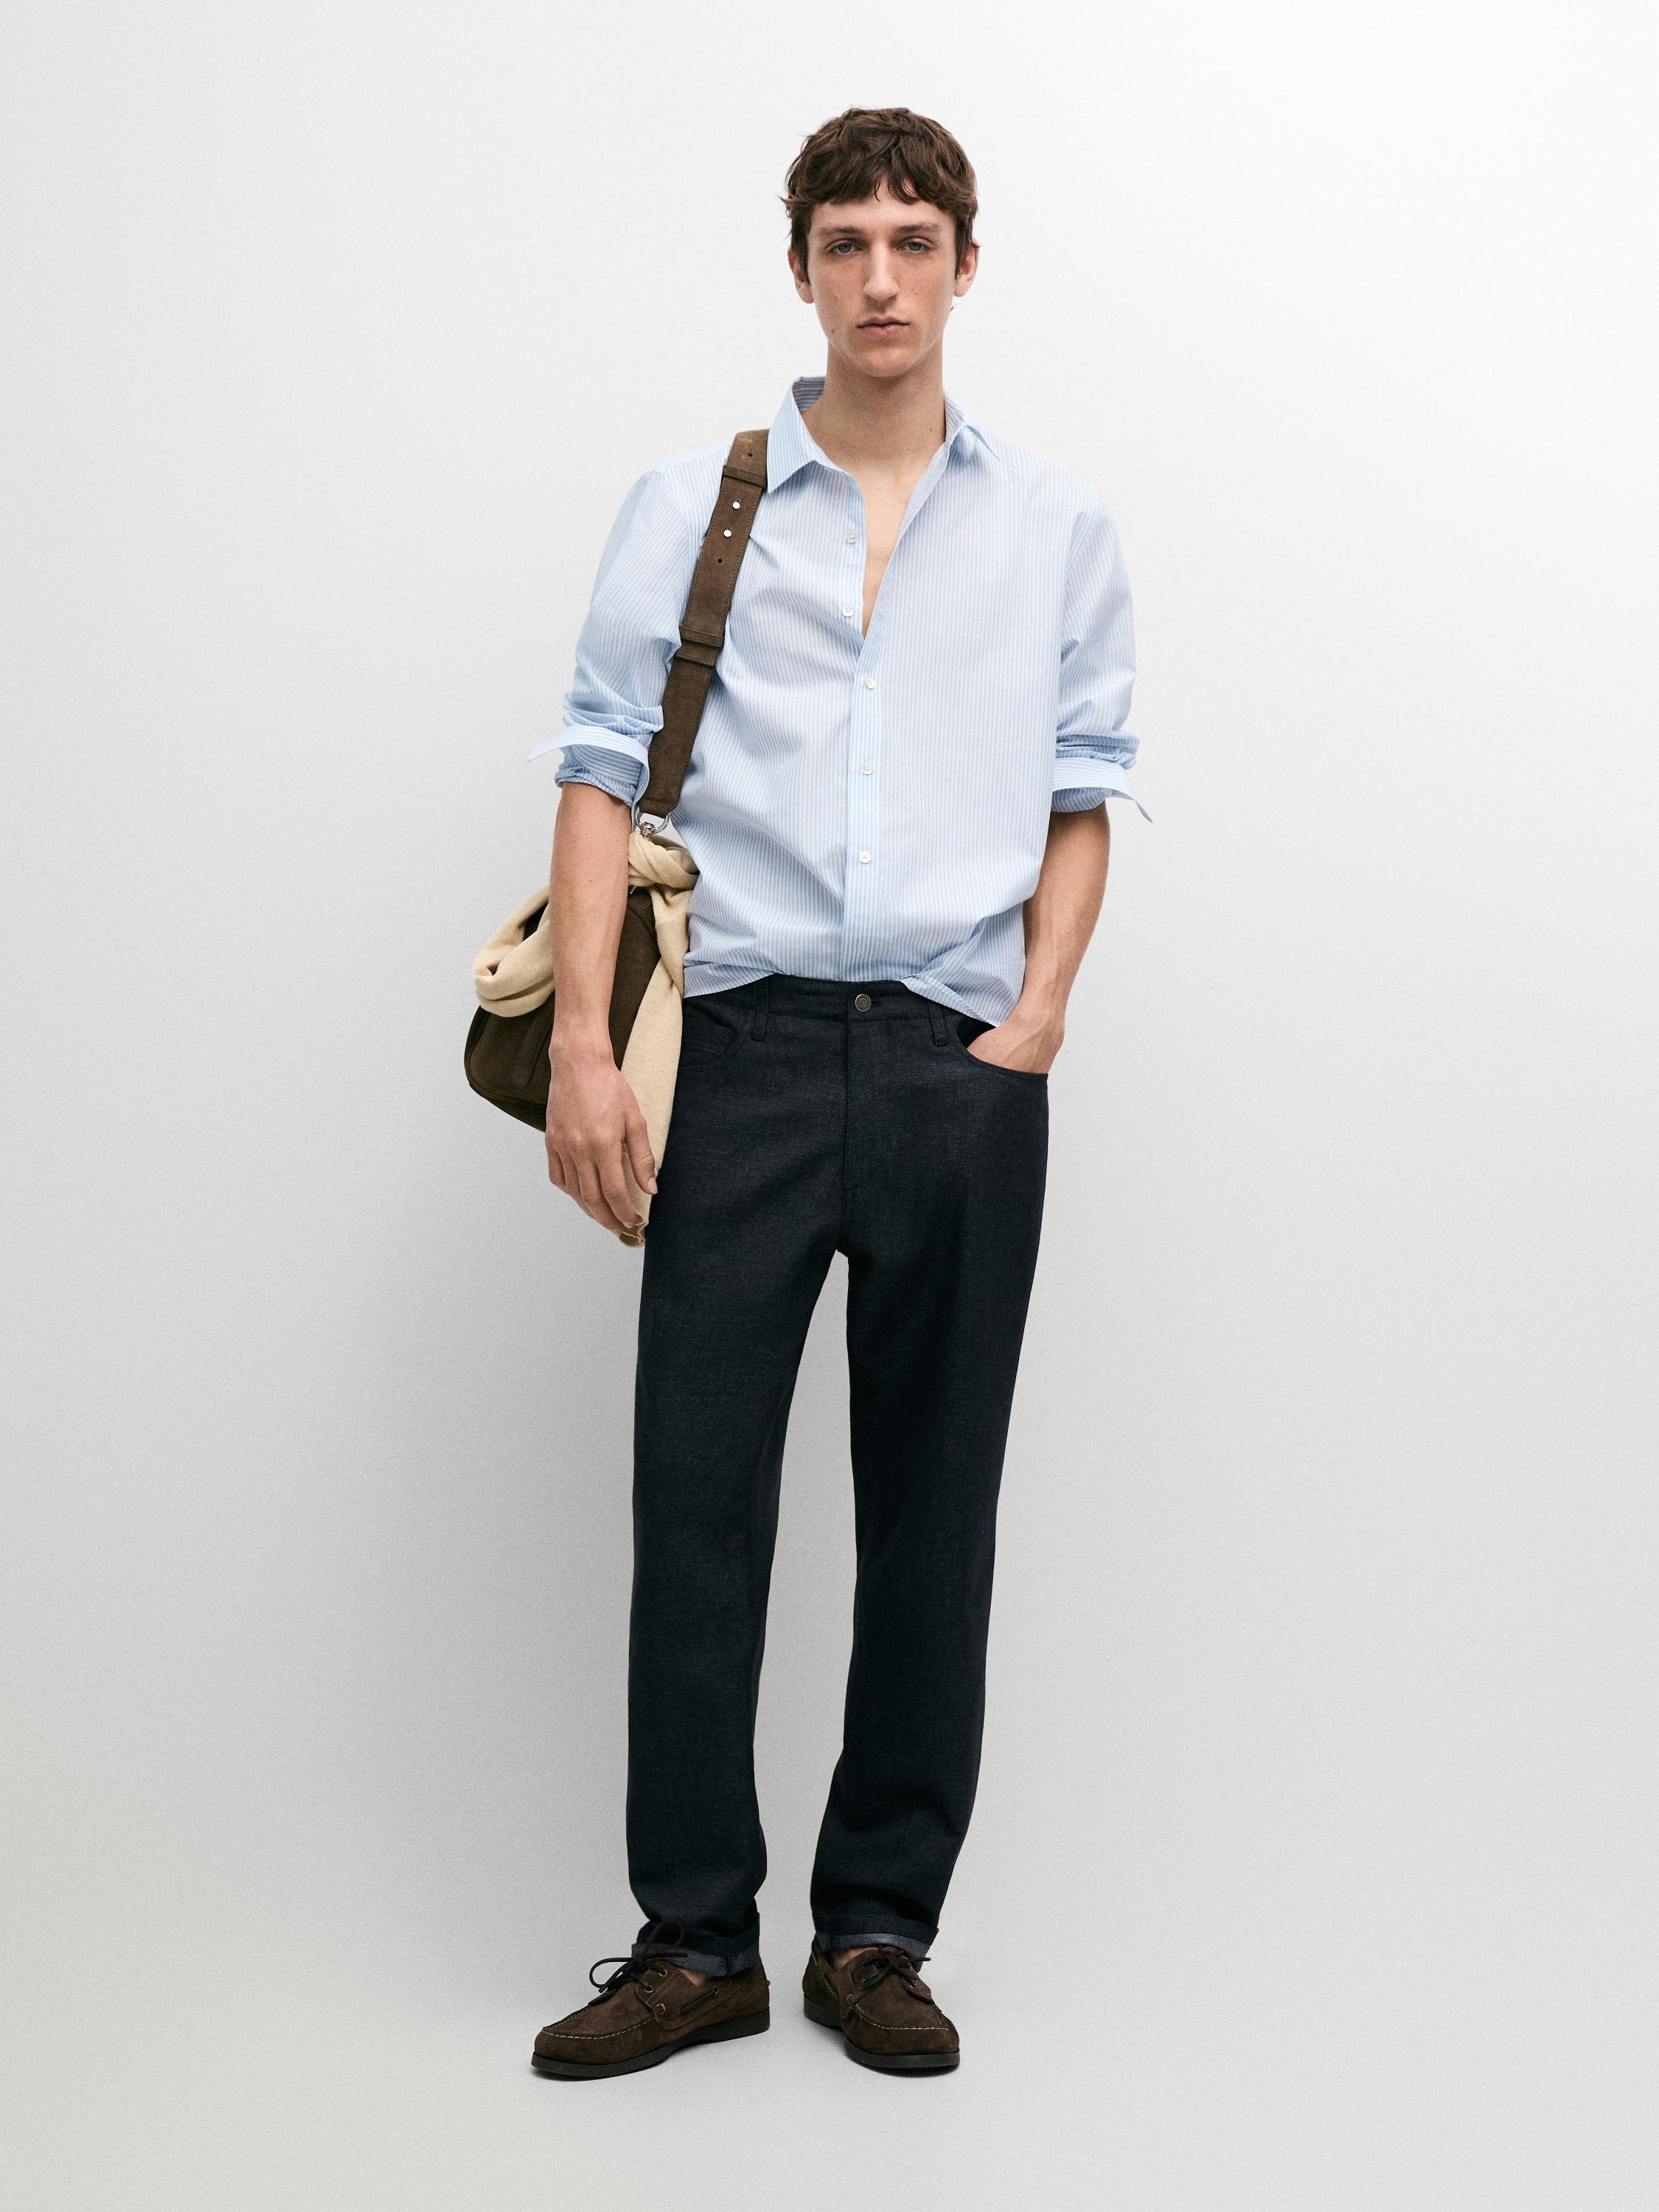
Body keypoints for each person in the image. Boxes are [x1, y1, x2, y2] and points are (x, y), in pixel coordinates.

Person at [528, 106, 1146, 2080]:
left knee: (933, 1514)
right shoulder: (698, 501)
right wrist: (581, 1047)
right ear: (799, 268)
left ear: (965, 263)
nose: (881, 275)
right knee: (695, 1503)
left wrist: (1037, 1014)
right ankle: (694, 1939)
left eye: (914, 238)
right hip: (747, 1054)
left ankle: (876, 1931)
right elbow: (599, 765)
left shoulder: (1054, 526)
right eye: (845, 241)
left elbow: (1085, 787)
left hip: (959, 1067)